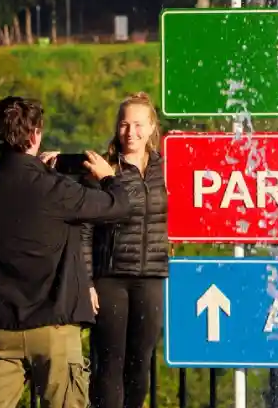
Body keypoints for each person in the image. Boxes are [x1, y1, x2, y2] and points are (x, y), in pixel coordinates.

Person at [0, 96, 140, 408]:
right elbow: (120, 206)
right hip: (53, 325)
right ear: (35, 136)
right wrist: (107, 177)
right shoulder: (56, 191)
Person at [88, 92, 169, 408]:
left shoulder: (165, 167)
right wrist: (87, 281)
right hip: (110, 277)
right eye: (124, 124)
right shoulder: (103, 169)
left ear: (151, 128)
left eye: (138, 125)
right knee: (109, 363)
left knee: (140, 362)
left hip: (151, 275)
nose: (130, 132)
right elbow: (84, 229)